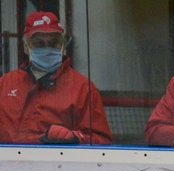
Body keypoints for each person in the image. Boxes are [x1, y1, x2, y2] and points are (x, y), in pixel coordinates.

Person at [0, 11, 111, 145]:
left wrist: (75, 138)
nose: (47, 48)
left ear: (62, 45)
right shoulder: (4, 85)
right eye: (39, 44)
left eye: (53, 43)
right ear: (26, 47)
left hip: (58, 165)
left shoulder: (83, 89)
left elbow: (103, 143)